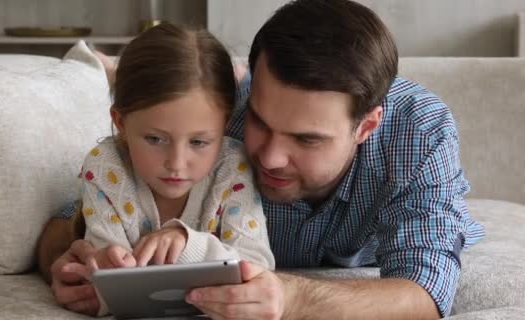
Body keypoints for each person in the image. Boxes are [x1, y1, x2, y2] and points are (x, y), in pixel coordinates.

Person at [38, 0, 485, 319]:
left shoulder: (417, 129)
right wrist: (67, 263)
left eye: (307, 139)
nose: (268, 156)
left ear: (366, 127)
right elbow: (76, 210)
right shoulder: (217, 121)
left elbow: (425, 292)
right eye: (261, 120)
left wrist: (291, 298)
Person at [50, 22, 275, 316]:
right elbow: (107, 285)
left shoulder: (233, 166)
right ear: (120, 121)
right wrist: (100, 275)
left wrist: (188, 244)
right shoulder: (105, 167)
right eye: (155, 139)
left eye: (199, 141)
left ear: (224, 126)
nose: (177, 163)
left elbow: (257, 268)